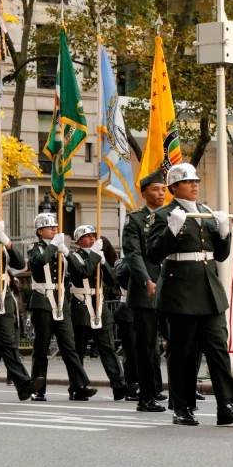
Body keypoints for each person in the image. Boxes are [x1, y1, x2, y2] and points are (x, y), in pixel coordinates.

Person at [146, 163, 233, 427]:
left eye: (196, 181)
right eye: (188, 182)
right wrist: (171, 230)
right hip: (180, 293)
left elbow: (220, 255)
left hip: (210, 291)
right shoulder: (164, 214)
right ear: (174, 187)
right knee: (183, 355)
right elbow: (154, 255)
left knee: (218, 351)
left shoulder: (207, 213)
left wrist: (225, 234)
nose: (194, 185)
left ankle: (226, 405)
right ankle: (183, 408)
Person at [0, 206, 45, 400]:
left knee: (9, 344)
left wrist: (9, 244)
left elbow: (20, 264)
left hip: (3, 298)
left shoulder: (1, 241)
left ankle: (23, 385)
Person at [27, 212, 97, 401]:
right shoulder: (33, 247)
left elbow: (81, 271)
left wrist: (66, 252)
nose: (54, 229)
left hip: (61, 302)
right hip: (42, 301)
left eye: (56, 227)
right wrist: (53, 245)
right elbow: (40, 261)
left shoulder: (61, 248)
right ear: (40, 231)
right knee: (41, 347)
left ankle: (79, 386)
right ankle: (38, 388)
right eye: (50, 227)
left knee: (69, 346)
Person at [67, 225, 135, 401]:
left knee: (108, 349)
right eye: (87, 236)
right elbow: (84, 272)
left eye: (93, 235)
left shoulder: (99, 256)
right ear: (79, 240)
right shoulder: (74, 256)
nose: (91, 238)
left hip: (99, 306)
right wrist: (95, 256)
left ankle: (119, 386)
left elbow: (113, 282)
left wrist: (104, 263)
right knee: (78, 350)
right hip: (81, 306)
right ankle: (77, 387)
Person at [123, 171, 168, 412]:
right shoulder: (136, 220)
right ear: (144, 193)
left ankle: (175, 390)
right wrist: (146, 280)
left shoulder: (171, 216)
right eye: (155, 189)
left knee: (177, 342)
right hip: (146, 290)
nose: (161, 193)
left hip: (170, 287)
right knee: (147, 346)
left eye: (163, 189)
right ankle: (146, 396)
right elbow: (133, 253)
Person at [112, 254, 140, 402]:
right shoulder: (123, 261)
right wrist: (135, 259)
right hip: (128, 310)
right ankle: (131, 386)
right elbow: (121, 275)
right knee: (132, 352)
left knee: (151, 352)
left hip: (146, 310)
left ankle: (153, 386)